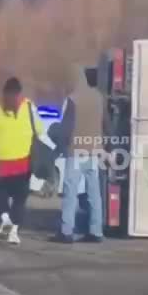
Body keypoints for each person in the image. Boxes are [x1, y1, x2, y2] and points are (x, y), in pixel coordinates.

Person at [48, 65, 104, 244]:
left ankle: (66, 231)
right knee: (94, 192)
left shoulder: (74, 99)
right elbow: (106, 124)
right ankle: (96, 231)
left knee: (71, 190)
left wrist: (58, 145)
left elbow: (66, 127)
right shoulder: (100, 99)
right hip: (93, 150)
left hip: (76, 150)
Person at [0, 76, 40, 246]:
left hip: (2, 160)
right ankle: (13, 231)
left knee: (1, 193)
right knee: (20, 198)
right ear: (20, 93)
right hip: (22, 160)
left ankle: (5, 218)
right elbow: (39, 130)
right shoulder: (28, 107)